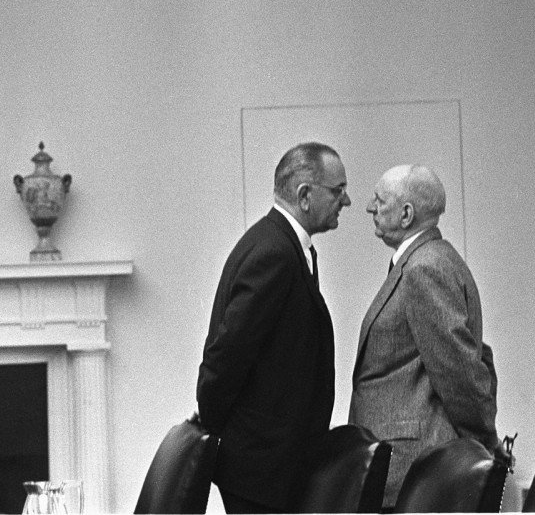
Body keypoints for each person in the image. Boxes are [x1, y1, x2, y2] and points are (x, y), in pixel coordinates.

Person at [197, 142, 352, 513]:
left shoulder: (276, 243)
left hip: (268, 466)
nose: (346, 202)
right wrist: (220, 432)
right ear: (304, 195)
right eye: (338, 190)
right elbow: (226, 356)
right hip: (262, 472)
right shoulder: (275, 253)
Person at [350, 164, 504, 508]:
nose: (369, 207)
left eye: (380, 200)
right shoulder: (434, 259)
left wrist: (482, 445)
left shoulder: (424, 268)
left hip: (411, 468)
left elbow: (459, 370)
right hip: (410, 465)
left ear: (406, 214)